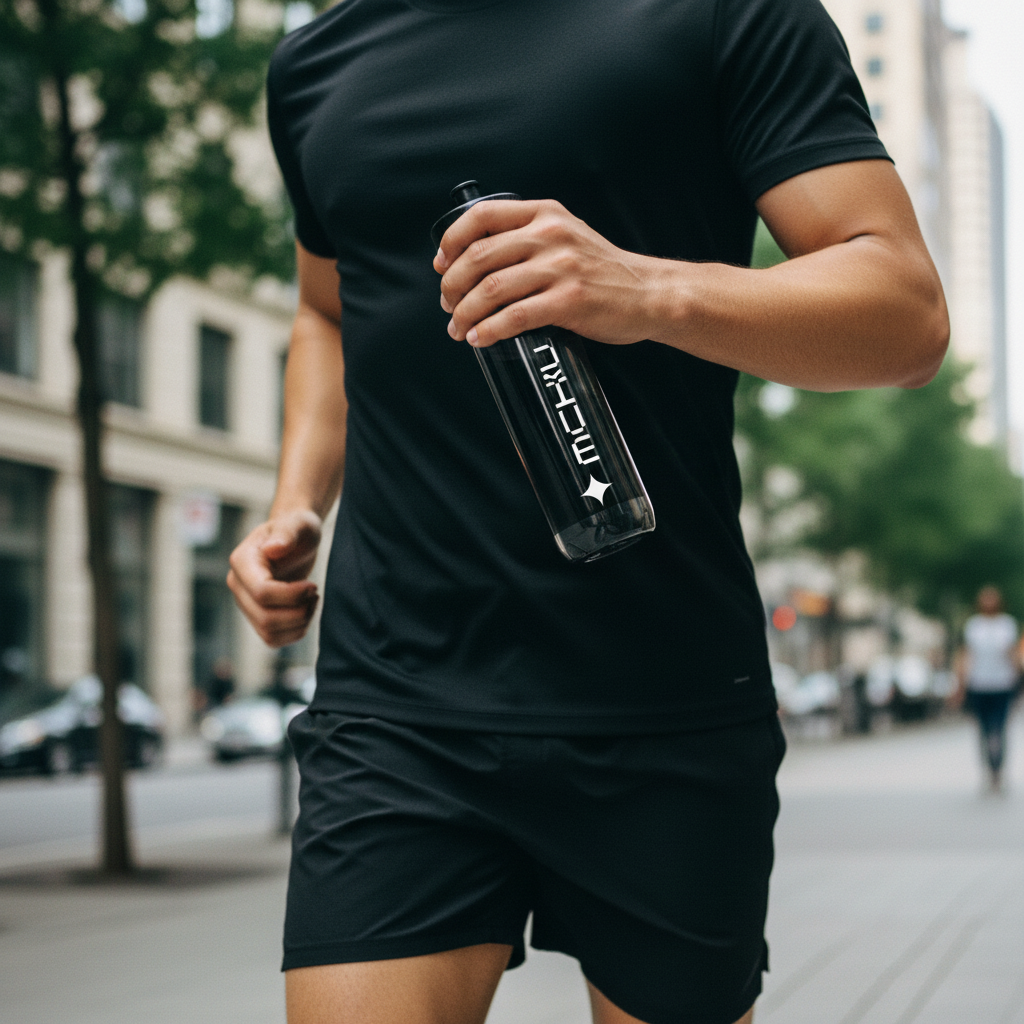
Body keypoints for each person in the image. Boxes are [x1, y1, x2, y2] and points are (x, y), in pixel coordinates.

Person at [227, 0, 948, 1020]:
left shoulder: (728, 14)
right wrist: (294, 501)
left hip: (661, 691)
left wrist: (644, 288)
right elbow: (325, 307)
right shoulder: (313, 62)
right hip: (396, 697)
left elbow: (905, 315)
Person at [956, 586, 1018, 793]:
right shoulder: (974, 626)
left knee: (998, 729)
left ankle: (997, 770)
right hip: (978, 684)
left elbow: (1013, 655)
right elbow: (966, 655)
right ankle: (987, 770)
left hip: (1002, 684)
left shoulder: (1007, 624)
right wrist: (960, 685)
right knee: (983, 730)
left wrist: (1018, 676)